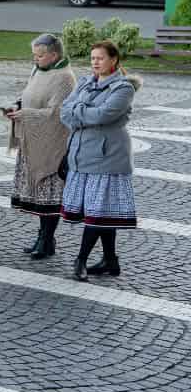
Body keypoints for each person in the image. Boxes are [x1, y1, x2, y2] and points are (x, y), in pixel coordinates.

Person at [61, 41, 140, 281]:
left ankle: (81, 260)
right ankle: (110, 260)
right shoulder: (85, 82)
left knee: (97, 211)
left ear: (114, 60)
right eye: (92, 58)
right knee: (102, 211)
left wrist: (79, 110)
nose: (95, 62)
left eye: (100, 58)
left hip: (108, 156)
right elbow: (64, 111)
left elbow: (105, 114)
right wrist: (84, 112)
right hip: (82, 153)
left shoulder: (123, 88)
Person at [5, 34, 76, 261]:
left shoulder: (65, 78)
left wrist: (25, 114)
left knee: (49, 198)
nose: (35, 59)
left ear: (54, 55)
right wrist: (17, 105)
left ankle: (46, 239)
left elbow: (56, 114)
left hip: (52, 147)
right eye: (34, 55)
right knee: (39, 198)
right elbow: (29, 94)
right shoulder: (39, 70)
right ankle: (43, 238)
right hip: (33, 142)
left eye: (40, 55)